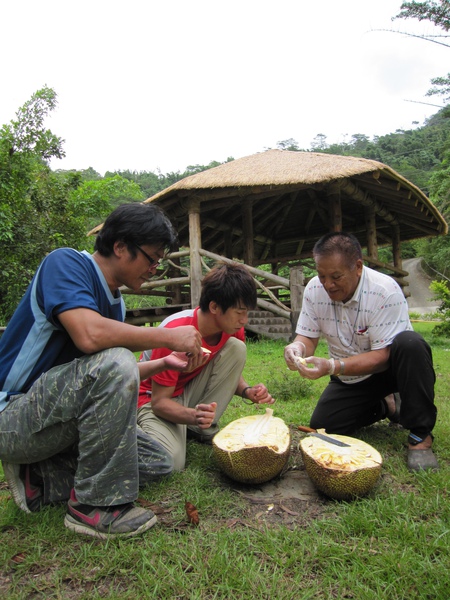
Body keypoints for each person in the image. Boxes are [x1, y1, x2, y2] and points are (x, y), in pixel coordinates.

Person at [0, 202, 203, 539]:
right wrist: (168, 336)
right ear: (121, 247)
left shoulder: (115, 303)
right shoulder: (65, 263)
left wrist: (163, 362)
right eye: (151, 258)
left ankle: (41, 478)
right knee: (118, 358)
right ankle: (93, 507)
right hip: (13, 415)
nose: (154, 268)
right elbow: (90, 336)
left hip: (54, 419)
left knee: (157, 460)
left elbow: (107, 381)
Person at [284, 231, 438, 471]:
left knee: (411, 344)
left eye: (335, 276)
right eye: (321, 275)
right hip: (351, 376)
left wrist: (333, 366)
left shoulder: (384, 290)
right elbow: (308, 336)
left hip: (391, 370)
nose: (327, 284)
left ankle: (420, 436)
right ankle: (387, 406)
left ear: (357, 267)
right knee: (324, 426)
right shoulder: (314, 290)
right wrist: (297, 347)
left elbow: (382, 356)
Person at [137, 262, 275, 471]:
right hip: (151, 399)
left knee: (236, 348)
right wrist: (193, 415)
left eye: (247, 312)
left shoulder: (231, 328)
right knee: (171, 462)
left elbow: (228, 372)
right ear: (214, 307)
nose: (244, 320)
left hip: (185, 390)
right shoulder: (177, 332)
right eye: (239, 312)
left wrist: (247, 391)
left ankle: (197, 428)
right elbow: (159, 403)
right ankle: (132, 431)